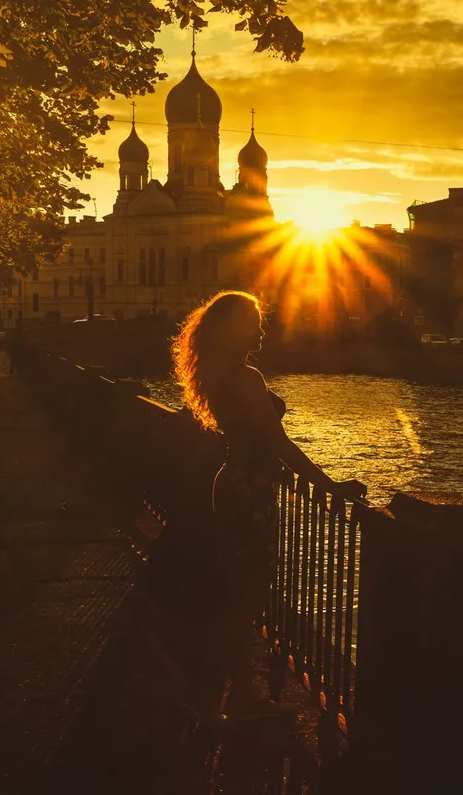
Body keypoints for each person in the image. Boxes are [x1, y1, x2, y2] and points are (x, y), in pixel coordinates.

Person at [171, 290, 365, 724]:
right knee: (247, 600)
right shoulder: (244, 377)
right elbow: (278, 444)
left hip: (237, 484)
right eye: (253, 321)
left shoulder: (222, 375)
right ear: (232, 328)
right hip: (249, 492)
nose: (260, 329)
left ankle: (238, 694)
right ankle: (205, 690)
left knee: (239, 595)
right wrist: (331, 486)